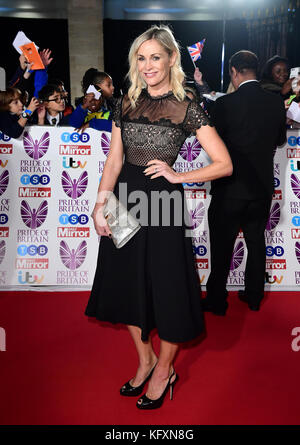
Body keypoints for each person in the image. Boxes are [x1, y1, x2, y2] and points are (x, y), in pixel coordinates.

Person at [85, 25, 232, 410]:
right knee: (125, 285)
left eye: (155, 56)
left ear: (170, 59)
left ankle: (165, 370)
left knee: (167, 291)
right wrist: (101, 203)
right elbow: (114, 159)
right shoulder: (125, 102)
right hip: (123, 201)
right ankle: (145, 360)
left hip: (163, 204)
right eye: (141, 57)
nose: (147, 65)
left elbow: (224, 164)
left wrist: (178, 175)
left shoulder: (187, 106)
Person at [202, 50, 287, 316]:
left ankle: (216, 300)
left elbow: (213, 146)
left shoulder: (224, 104)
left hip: (229, 189)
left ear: (234, 72)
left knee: (222, 245)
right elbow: (280, 140)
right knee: (256, 241)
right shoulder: (275, 103)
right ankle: (253, 296)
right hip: (261, 188)